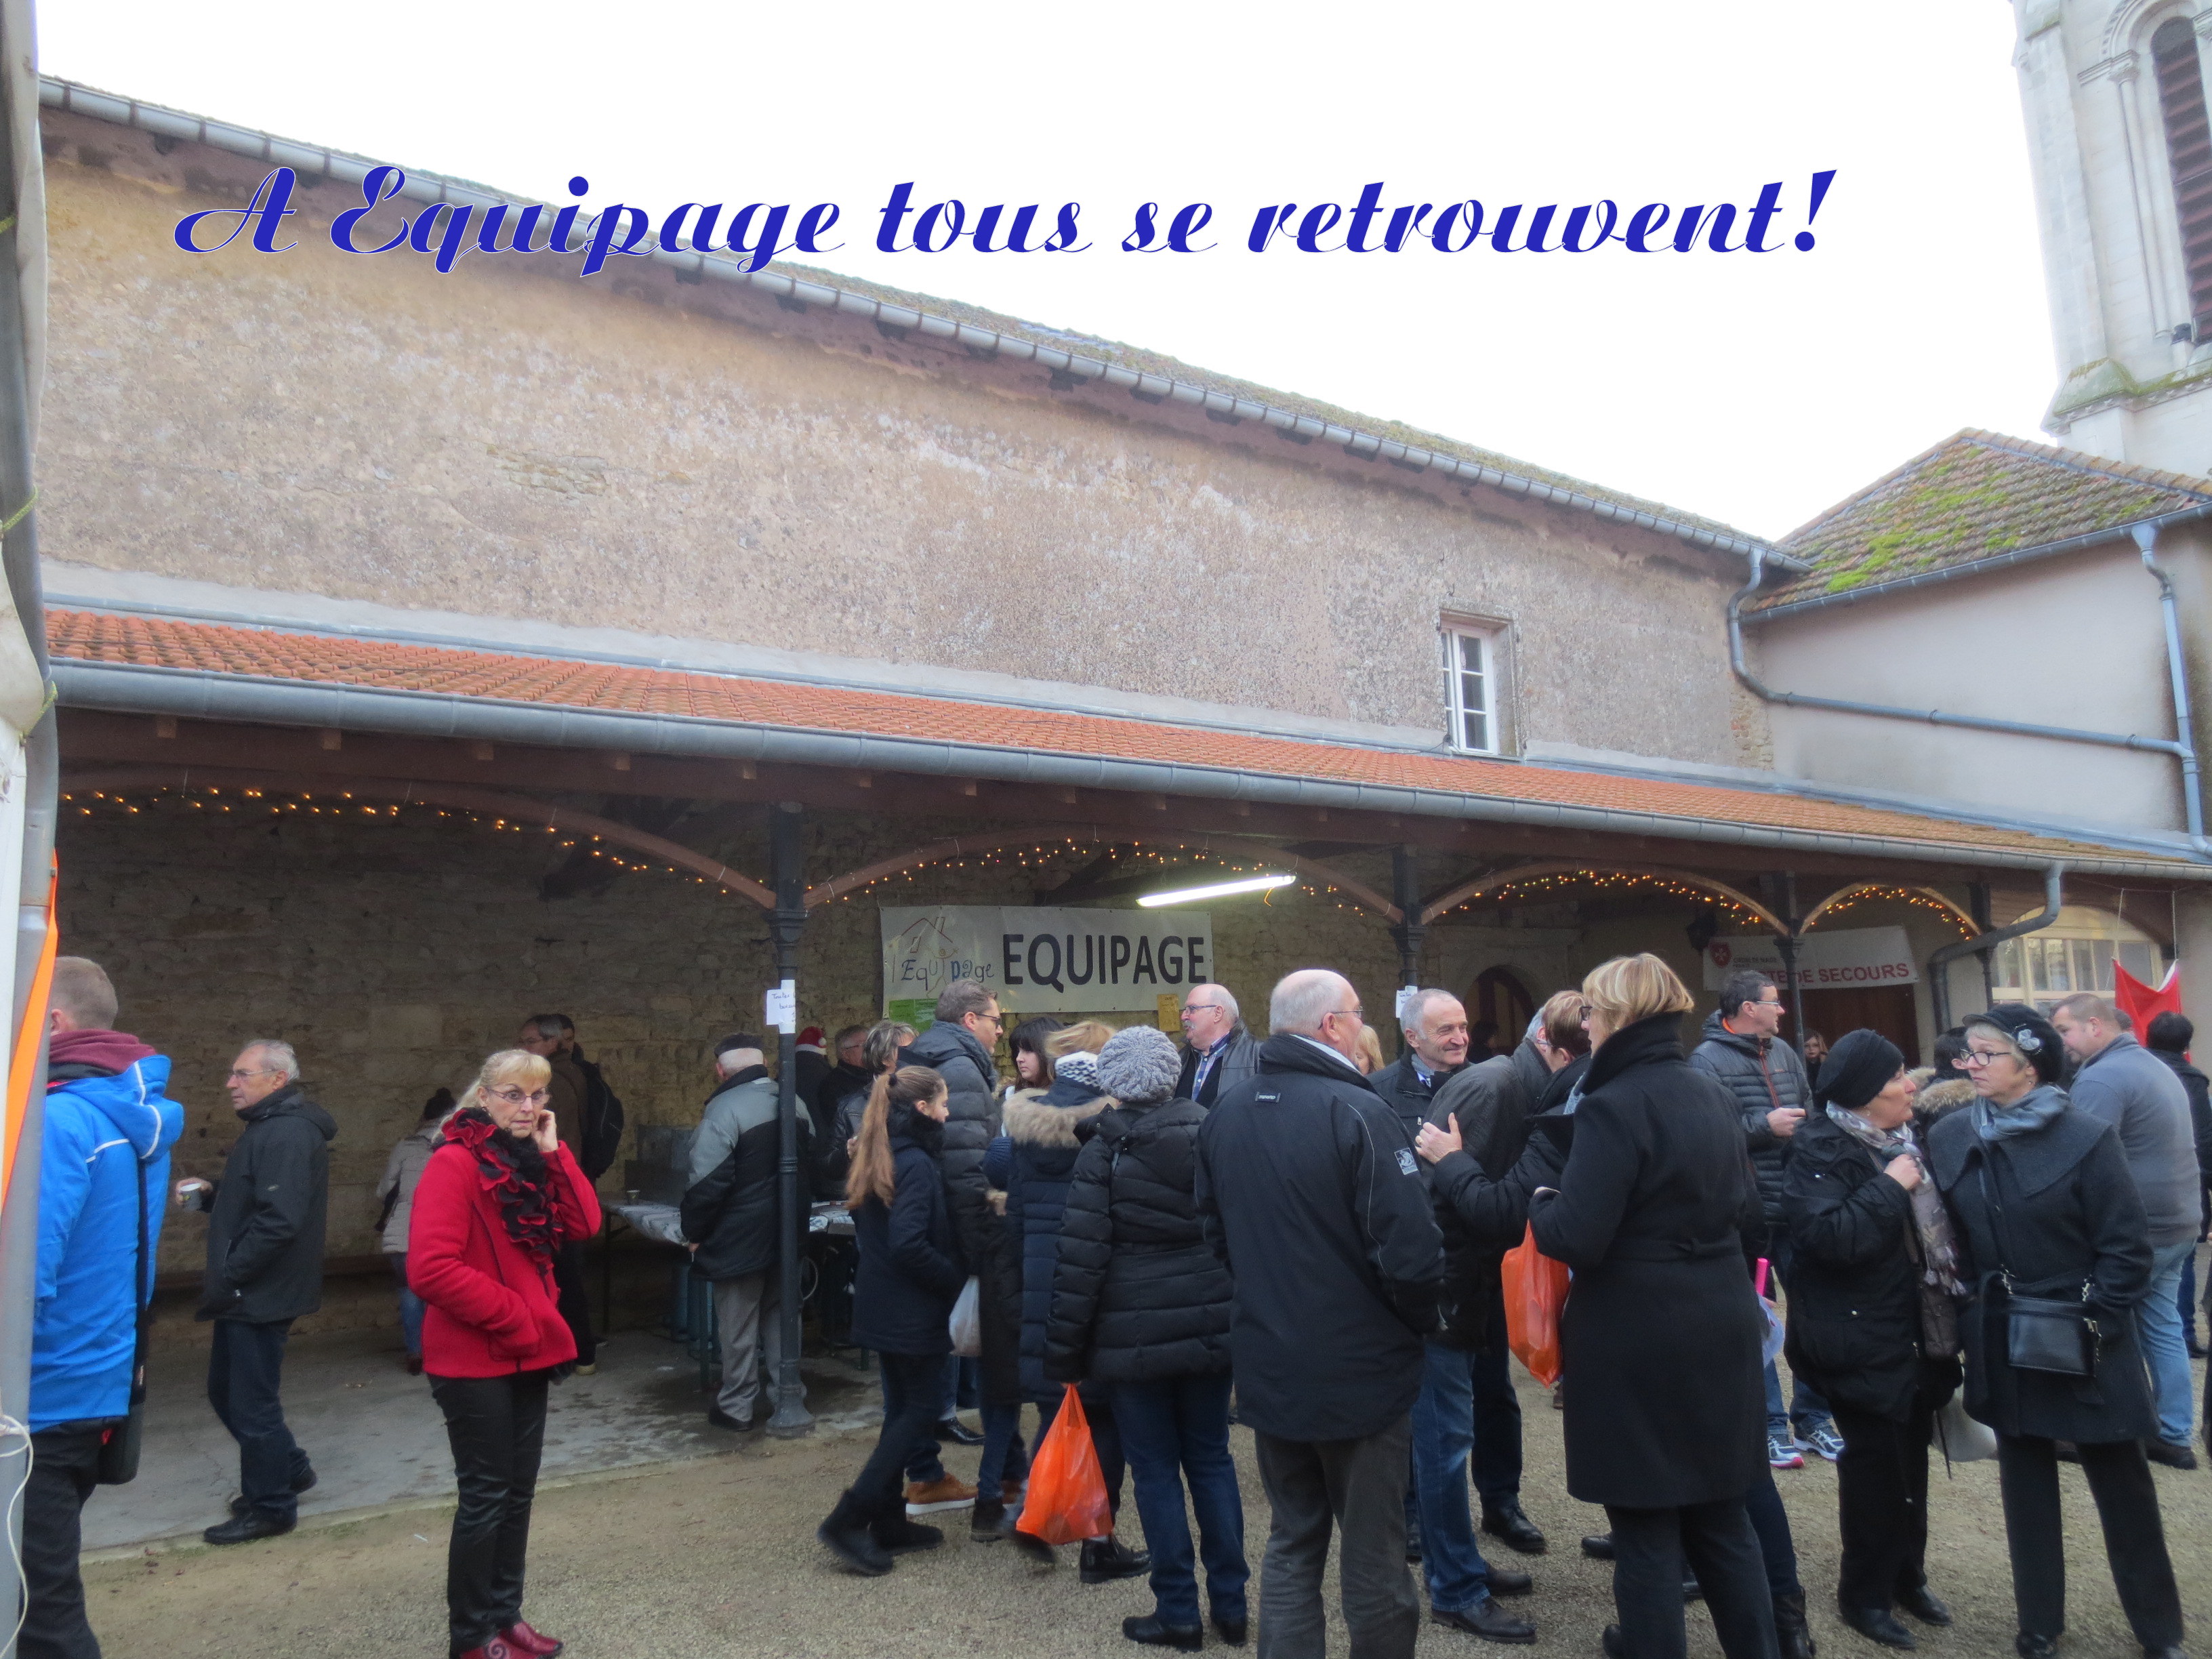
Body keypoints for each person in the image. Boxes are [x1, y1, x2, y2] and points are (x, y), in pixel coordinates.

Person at [1530, 954, 1774, 1659]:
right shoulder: (1710, 1091)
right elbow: (1750, 1208)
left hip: (1639, 1332)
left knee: (1646, 1534)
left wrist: (1541, 1203)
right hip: (1720, 1317)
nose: (1590, 1027)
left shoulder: (1613, 1103)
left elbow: (1580, 1235)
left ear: (1615, 1018)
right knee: (1724, 1524)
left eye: (1594, 1015)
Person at [1197, 968, 1442, 1659]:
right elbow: (1412, 1252)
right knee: (1374, 1554)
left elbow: (1214, 1233)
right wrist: (1417, 1322)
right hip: (1359, 1368)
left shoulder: (1228, 1112)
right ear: (1331, 1025)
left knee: (1293, 1540)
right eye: (1358, 1012)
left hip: (1271, 1360)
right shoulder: (1358, 1111)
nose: (1365, 1022)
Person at [1927, 1006, 2183, 1659]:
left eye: (1985, 1054)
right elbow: (1948, 1239)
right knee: (2027, 1483)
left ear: (2030, 1062)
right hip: (2001, 1332)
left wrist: (2095, 1321)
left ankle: (2160, 1631)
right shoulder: (1952, 1134)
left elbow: (2127, 1251)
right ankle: (2038, 1624)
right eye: (1967, 1054)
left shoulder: (2087, 1136)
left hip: (2086, 1333)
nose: (1970, 1065)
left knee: (2122, 1484)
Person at [1047, 1025, 1247, 1650]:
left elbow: (1081, 1259)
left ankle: (1180, 1612)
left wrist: (1066, 1353)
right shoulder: (1216, 1134)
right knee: (1212, 1461)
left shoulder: (1104, 1151)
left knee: (1157, 1472)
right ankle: (1232, 1606)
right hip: (1210, 1321)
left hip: (1132, 1332)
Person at [409, 1048, 602, 1659]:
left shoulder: (528, 1161)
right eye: (514, 1095)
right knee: (486, 1496)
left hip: (526, 1353)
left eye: (538, 1096)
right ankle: (471, 1636)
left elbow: (585, 1224)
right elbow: (431, 1269)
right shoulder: (455, 1163)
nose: (528, 1107)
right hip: (474, 1357)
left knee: (518, 1492)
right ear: (484, 1097)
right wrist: (517, 1316)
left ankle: (505, 1615)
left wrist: (554, 1152)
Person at [1782, 1029, 1964, 1651]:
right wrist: (1892, 1185)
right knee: (1876, 1471)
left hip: (1913, 1332)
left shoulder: (1906, 1141)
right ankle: (1864, 1594)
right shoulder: (1821, 1147)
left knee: (1911, 1461)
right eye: (1896, 1080)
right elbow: (1830, 1240)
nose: (1911, 1086)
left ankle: (1907, 1575)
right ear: (1864, 1095)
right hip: (1856, 1335)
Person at [25, 958, 183, 1659]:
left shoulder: (61, 1120)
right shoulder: (128, 1113)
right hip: (94, 1383)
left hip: (38, 1398)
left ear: (53, 1023)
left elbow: (24, 1274)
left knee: (41, 1614)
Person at [1422, 989, 1591, 1563]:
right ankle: (1452, 1560)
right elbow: (1437, 1195)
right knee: (1448, 1426)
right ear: (1550, 1043)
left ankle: (1501, 1501)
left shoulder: (1540, 1087)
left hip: (1496, 1272)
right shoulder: (1493, 1087)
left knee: (1496, 1399)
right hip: (1457, 1278)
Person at [985, 1021, 1146, 1580]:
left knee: (1057, 1412)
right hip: (1097, 1293)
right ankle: (1097, 1541)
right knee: (1104, 1419)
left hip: (1040, 1288)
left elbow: (1016, 1218)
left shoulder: (1024, 1129)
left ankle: (1036, 1507)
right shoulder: (1114, 1129)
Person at [176, 1038, 335, 1544]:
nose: (230, 1084)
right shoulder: (269, 1130)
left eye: (242, 1075)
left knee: (250, 1403)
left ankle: (271, 1507)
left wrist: (233, 1273)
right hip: (252, 1288)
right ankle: (288, 1469)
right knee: (228, 1393)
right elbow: (258, 1202)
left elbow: (279, 1221)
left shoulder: (286, 1134)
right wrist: (213, 1197)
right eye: (233, 1073)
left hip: (260, 1291)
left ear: (277, 1080)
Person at [818, 1065, 967, 1575]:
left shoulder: (876, 1154)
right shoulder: (917, 1164)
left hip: (882, 1303)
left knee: (903, 1410)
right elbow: (909, 1244)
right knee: (920, 1410)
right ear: (923, 1109)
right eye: (944, 1104)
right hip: (911, 1309)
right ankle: (849, 1517)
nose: (949, 1113)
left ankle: (889, 1520)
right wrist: (954, 1277)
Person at [1692, 969, 1836, 1467]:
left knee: (1815, 1312)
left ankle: (1814, 1419)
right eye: (1774, 1002)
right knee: (1758, 1321)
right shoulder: (1704, 1062)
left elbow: (1812, 1114)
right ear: (1748, 1008)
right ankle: (1771, 1425)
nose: (1782, 1010)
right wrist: (1762, 1127)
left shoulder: (1786, 1053)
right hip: (1749, 1212)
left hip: (1797, 1204)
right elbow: (1709, 1135)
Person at [2050, 992, 2200, 1467]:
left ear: (2095, 1025)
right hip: (2179, 1222)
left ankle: (2110, 1429)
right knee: (2163, 1327)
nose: (2062, 1044)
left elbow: (2078, 1159)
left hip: (2138, 1229)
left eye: (2064, 1031)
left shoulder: (2104, 1077)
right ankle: (2174, 1436)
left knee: (2107, 1326)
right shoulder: (2153, 1065)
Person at [901, 981, 1010, 1517]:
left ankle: (928, 1471)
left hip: (934, 1228)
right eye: (994, 1019)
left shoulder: (927, 1054)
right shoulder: (962, 1070)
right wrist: (982, 1249)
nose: (999, 1030)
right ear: (971, 1020)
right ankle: (989, 1479)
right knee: (976, 1362)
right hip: (954, 1234)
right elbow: (969, 1166)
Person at [681, 1033, 812, 1432]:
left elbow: (707, 1183)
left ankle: (736, 1407)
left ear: (721, 1070)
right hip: (788, 1232)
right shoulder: (797, 1104)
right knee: (782, 1317)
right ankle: (788, 1398)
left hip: (738, 1236)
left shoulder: (724, 1109)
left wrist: (695, 1231)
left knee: (737, 1325)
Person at [517, 1016, 621, 1376]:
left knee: (561, 1274)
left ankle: (575, 1352)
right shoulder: (574, 1074)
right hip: (570, 1183)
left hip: (555, 1187)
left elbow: (536, 1138)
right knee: (567, 1272)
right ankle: (579, 1351)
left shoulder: (551, 1083)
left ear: (553, 1042)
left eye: (530, 1041)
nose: (524, 1048)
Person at [2142, 1010, 2211, 1357]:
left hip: (2141, 1188)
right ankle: (2183, 1333)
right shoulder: (2193, 1080)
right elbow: (2204, 1138)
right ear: (2186, 1046)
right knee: (2180, 1264)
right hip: (2187, 1186)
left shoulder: (2134, 1073)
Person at [376, 1088, 453, 1377]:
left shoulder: (406, 1146)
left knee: (409, 1292)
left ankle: (415, 1352)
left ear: (425, 1116)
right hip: (442, 1231)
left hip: (403, 1232)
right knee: (443, 1293)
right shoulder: (458, 1147)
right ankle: (442, 1351)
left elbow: (383, 1190)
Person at [1176, 983, 1260, 1107]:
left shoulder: (1257, 1056)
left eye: (1192, 1009)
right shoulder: (1181, 1058)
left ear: (1218, 1013)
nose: (1183, 1016)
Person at [817, 1025, 874, 1139]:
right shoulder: (832, 1085)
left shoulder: (877, 1076)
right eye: (864, 1045)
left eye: (871, 1044)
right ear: (846, 1054)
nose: (870, 1048)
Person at [1004, 1015, 1066, 1104]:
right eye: (1017, 1051)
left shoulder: (1075, 1101)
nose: (1019, 1059)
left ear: (1049, 1052)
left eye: (1028, 1050)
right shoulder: (1008, 1098)